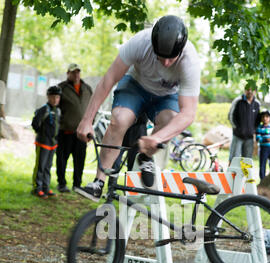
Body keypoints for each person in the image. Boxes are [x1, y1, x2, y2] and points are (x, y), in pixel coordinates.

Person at [75, 15, 201, 202]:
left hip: (167, 96)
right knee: (119, 118)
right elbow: (109, 79)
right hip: (135, 85)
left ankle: (146, 157)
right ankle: (98, 182)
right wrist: (86, 120)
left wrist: (156, 138)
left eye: (171, 58)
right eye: (161, 57)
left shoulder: (190, 61)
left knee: (170, 119)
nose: (166, 63)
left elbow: (188, 113)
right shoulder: (140, 42)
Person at [56, 64, 93, 192]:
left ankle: (77, 185)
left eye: (78, 72)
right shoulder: (61, 88)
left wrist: (90, 126)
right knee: (62, 159)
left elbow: (92, 109)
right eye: (73, 72)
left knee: (79, 160)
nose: (76, 75)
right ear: (68, 73)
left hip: (82, 133)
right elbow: (54, 108)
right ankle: (61, 184)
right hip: (65, 131)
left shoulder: (87, 89)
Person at [31, 86, 62, 199]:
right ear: (48, 97)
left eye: (57, 97)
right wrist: (42, 134)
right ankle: (37, 188)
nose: (55, 100)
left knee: (48, 167)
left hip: (53, 144)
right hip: (43, 143)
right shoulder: (44, 109)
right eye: (53, 97)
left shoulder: (58, 111)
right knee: (40, 166)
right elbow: (35, 123)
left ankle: (46, 187)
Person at [228, 87, 260, 164]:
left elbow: (258, 119)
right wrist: (237, 129)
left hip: (249, 138)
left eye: (251, 90)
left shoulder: (257, 104)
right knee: (233, 158)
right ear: (244, 90)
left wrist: (254, 130)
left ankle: (245, 176)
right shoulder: (238, 101)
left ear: (255, 91)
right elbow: (230, 116)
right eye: (247, 89)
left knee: (247, 161)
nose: (249, 91)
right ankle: (230, 175)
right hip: (237, 136)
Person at [256, 109, 270, 181]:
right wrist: (265, 139)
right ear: (261, 118)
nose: (265, 118)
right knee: (262, 164)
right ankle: (262, 179)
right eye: (263, 117)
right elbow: (258, 138)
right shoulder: (259, 128)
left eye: (267, 117)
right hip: (263, 148)